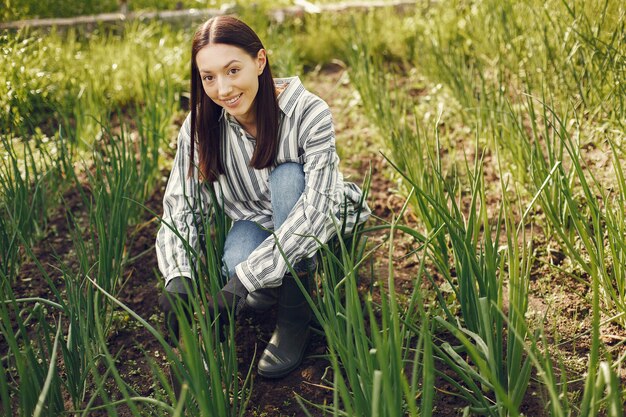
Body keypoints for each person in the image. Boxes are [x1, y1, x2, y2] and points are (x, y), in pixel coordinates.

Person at [156, 15, 370, 379]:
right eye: (209, 77)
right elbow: (182, 203)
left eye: (233, 70)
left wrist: (242, 281)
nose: (222, 89)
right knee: (237, 255)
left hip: (319, 219)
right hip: (257, 221)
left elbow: (317, 210)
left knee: (287, 179)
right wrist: (178, 276)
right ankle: (268, 280)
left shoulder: (308, 112)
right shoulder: (199, 126)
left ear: (260, 61)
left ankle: (293, 317)